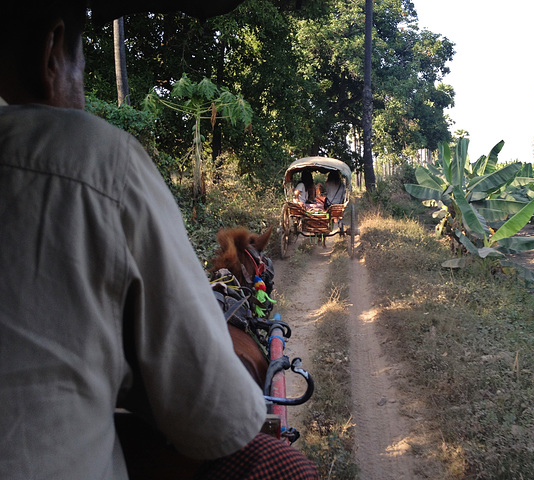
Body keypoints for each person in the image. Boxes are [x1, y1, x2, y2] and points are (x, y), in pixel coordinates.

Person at [0, 2, 317, 479]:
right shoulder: (95, 159)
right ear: (52, 51)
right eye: (82, 70)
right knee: (281, 465)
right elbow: (219, 418)